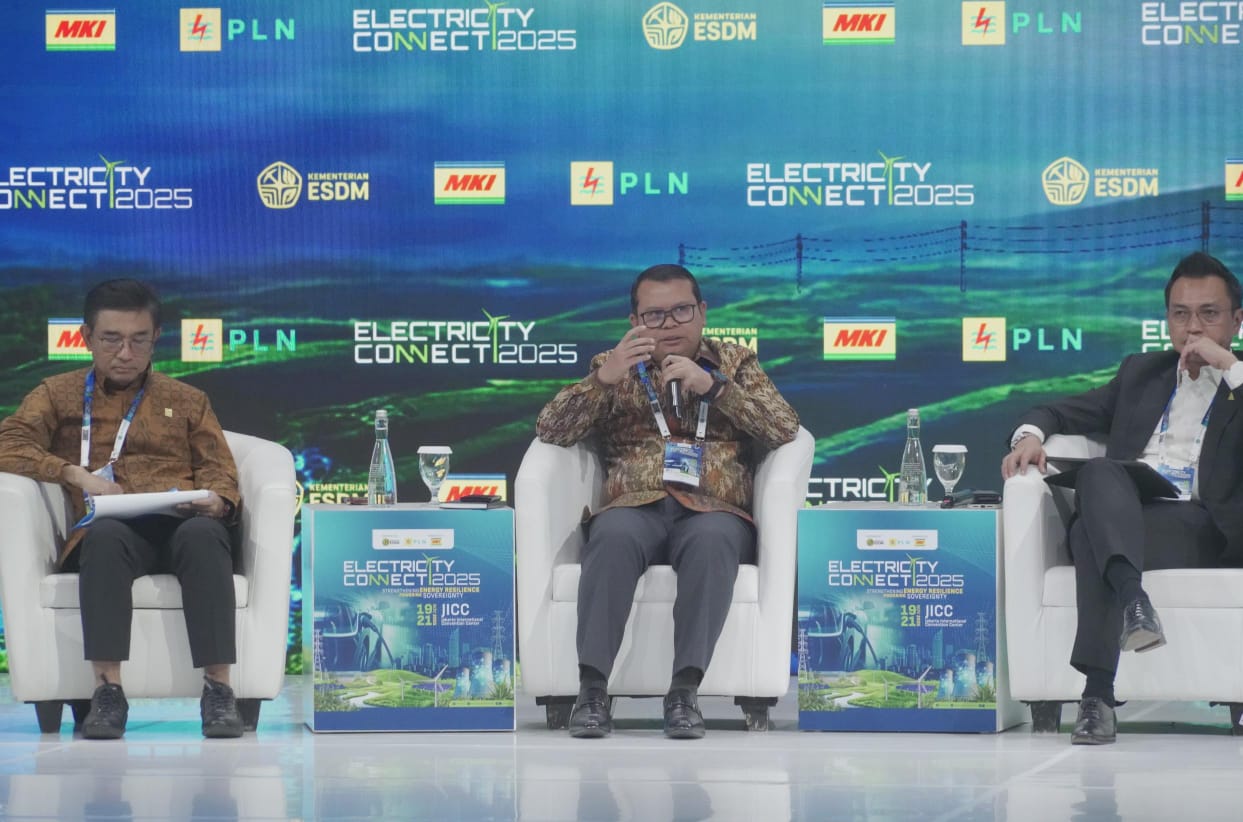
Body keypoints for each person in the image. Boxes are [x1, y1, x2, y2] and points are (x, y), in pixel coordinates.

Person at [536, 263, 800, 739]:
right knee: (612, 538)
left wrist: (715, 388)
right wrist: (602, 381)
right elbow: (551, 430)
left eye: (681, 311)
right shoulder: (614, 365)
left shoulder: (736, 363)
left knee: (712, 542)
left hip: (713, 506)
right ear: (635, 321)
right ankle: (591, 693)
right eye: (654, 315)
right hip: (635, 503)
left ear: (702, 312)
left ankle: (683, 694)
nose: (669, 324)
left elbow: (784, 428)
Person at [1000, 251, 1243, 745]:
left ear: (1236, 321)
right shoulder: (1141, 373)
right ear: (1167, 319)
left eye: (1209, 314)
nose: (1193, 328)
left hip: (1203, 527)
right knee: (1099, 476)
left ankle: (1097, 696)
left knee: (1088, 535)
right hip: (1130, 515)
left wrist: (1231, 368)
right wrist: (1028, 437)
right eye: (1180, 314)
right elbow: (1056, 411)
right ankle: (1134, 602)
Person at [0, 279, 244, 739]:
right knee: (106, 537)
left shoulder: (187, 400)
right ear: (87, 337)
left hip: (180, 524)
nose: (125, 354)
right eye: (111, 340)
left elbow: (220, 470)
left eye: (138, 340)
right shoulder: (57, 394)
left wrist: (215, 499)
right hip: (108, 528)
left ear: (156, 339)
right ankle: (107, 692)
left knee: (204, 534)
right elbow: (7, 443)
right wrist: (73, 474)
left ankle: (219, 691)